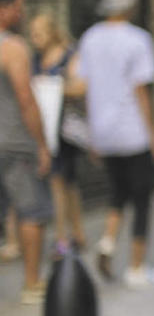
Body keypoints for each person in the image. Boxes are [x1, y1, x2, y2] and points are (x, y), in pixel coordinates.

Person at [75, 0, 154, 287]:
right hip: (132, 130)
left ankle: (107, 242)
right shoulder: (138, 39)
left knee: (117, 192)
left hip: (102, 130)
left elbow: (86, 88)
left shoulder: (89, 38)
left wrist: (92, 133)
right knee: (142, 197)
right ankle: (137, 267)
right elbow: (141, 91)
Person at [0, 0, 53, 304]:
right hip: (13, 142)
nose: (20, 13)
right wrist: (42, 144)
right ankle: (32, 283)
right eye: (17, 7)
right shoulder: (13, 48)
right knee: (31, 209)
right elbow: (25, 99)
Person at [29, 13, 87, 256]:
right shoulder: (35, 58)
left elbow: (82, 86)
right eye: (32, 34)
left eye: (39, 34)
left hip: (65, 129)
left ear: (52, 32)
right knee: (59, 181)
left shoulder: (70, 54)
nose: (35, 39)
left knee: (65, 182)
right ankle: (73, 234)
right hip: (45, 127)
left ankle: (65, 237)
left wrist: (54, 87)